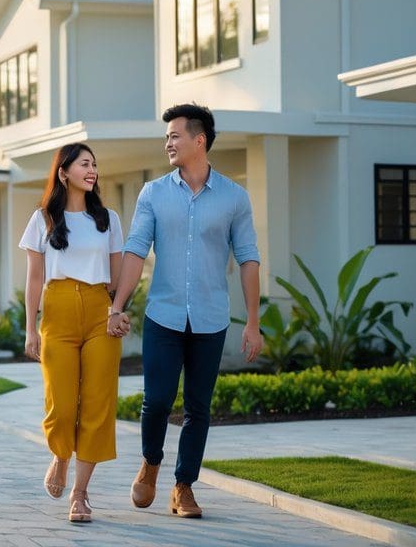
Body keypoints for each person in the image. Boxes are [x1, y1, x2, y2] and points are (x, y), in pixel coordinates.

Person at [108, 103, 263, 519]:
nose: (168, 143)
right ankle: (150, 462)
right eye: (166, 137)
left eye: (175, 135)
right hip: (164, 315)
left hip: (211, 319)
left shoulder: (234, 197)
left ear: (200, 140)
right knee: (157, 401)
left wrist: (252, 322)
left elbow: (248, 258)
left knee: (198, 407)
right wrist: (116, 306)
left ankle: (184, 486)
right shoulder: (153, 194)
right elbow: (136, 250)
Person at [21, 142, 126, 524]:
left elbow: (117, 278)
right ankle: (60, 455)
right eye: (84, 164)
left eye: (95, 164)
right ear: (64, 172)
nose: (92, 169)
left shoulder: (109, 219)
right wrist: (30, 328)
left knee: (98, 405)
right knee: (61, 405)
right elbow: (34, 278)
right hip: (59, 311)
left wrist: (119, 311)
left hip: (101, 310)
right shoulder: (43, 219)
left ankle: (80, 495)